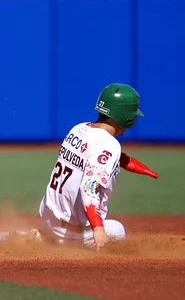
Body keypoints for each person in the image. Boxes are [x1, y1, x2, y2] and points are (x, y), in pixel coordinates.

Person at [38, 83, 158, 249]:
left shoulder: (79, 129)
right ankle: (56, 241)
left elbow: (102, 156)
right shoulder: (109, 144)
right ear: (125, 117)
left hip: (48, 218)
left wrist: (139, 168)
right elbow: (89, 186)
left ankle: (45, 235)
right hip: (74, 233)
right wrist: (98, 229)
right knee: (118, 230)